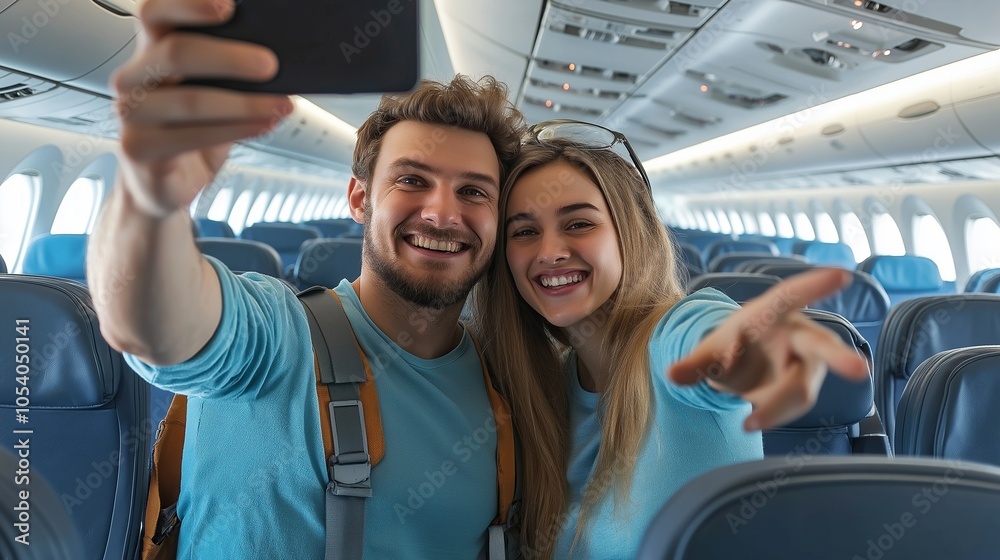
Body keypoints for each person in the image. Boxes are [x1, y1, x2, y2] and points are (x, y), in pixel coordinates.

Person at [86, 0, 527, 556]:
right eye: (413, 180)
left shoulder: (510, 382)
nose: (443, 212)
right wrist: (149, 197)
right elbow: (150, 321)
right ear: (360, 199)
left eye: (473, 191)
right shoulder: (276, 339)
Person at [471, 125, 869, 559]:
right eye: (524, 232)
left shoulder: (673, 336)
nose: (550, 251)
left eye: (579, 223)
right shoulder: (548, 389)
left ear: (631, 232)